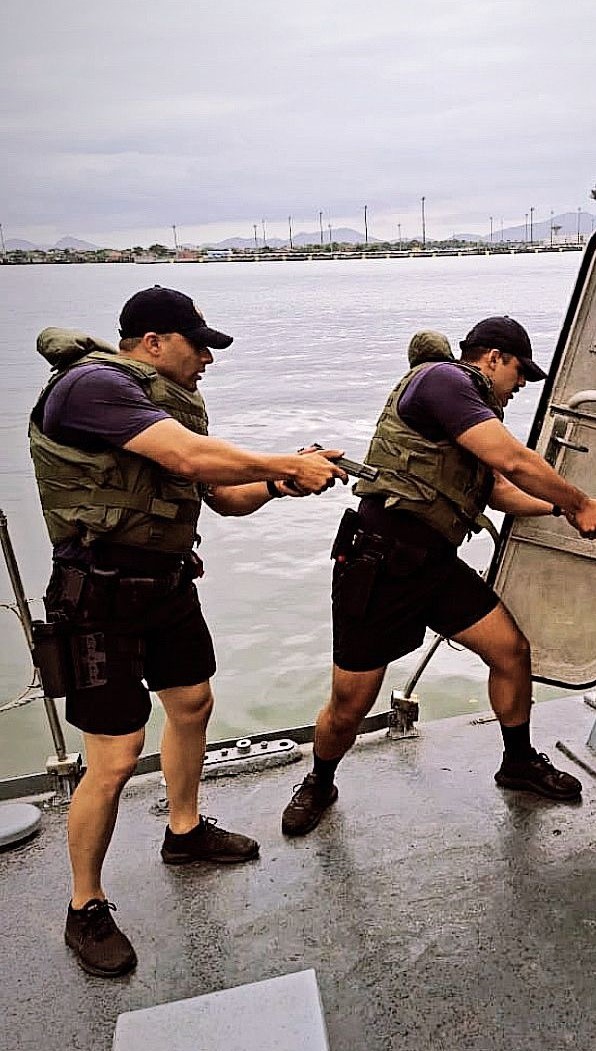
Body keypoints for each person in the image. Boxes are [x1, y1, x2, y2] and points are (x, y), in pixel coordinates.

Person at [29, 285, 346, 977]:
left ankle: (184, 830)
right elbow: (190, 459)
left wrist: (281, 484)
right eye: (198, 345)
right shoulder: (91, 387)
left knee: (193, 703)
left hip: (167, 587)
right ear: (152, 342)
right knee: (115, 756)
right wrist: (285, 461)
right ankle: (85, 905)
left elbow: (223, 496)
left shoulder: (164, 404)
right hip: (99, 598)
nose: (208, 358)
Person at [281, 315, 596, 837]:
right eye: (519, 373)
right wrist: (579, 501)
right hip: (379, 562)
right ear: (493, 358)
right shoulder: (444, 380)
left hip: (434, 565)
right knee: (350, 706)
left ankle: (518, 762)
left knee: (511, 652)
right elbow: (514, 460)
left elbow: (498, 490)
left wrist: (562, 511)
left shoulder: (469, 411)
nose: (520, 386)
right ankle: (319, 781)